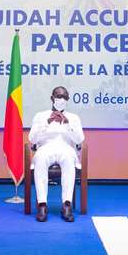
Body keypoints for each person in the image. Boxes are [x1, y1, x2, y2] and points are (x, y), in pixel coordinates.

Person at [28, 86, 84, 222]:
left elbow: (79, 139)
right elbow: (32, 139)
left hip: (66, 148)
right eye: (59, 96)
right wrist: (47, 122)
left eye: (65, 97)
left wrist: (67, 124)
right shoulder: (41, 116)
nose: (62, 99)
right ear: (52, 98)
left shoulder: (74, 117)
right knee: (40, 158)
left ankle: (67, 204)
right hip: (45, 147)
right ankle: (42, 204)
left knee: (69, 160)